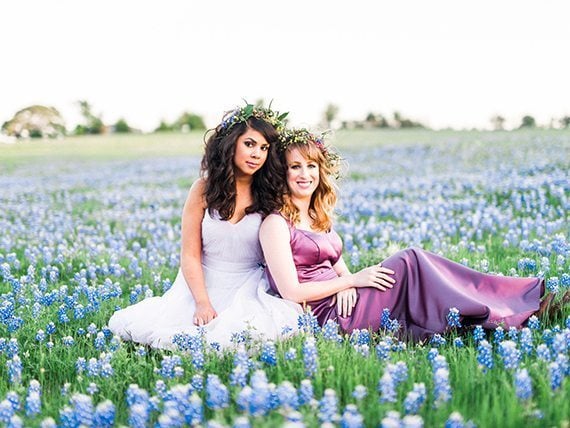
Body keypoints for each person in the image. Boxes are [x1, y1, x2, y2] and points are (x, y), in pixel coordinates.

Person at [260, 128, 555, 342]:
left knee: (415, 267)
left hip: (345, 298)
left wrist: (346, 283)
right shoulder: (275, 224)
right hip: (327, 315)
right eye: (295, 167)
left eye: (311, 166)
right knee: (410, 261)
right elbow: (292, 292)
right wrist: (349, 281)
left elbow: (337, 265)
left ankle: (514, 304)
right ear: (281, 174)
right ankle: (509, 310)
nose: (305, 174)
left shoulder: (317, 217)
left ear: (320, 171)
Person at [108, 104, 302, 349]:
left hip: (249, 285)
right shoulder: (202, 189)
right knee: (178, 332)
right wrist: (202, 302)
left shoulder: (271, 195)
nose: (257, 154)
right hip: (201, 284)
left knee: (252, 333)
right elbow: (189, 254)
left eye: (264, 148)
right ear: (230, 143)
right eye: (249, 144)